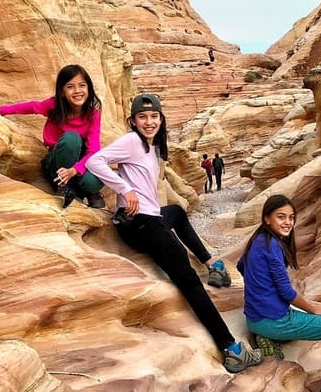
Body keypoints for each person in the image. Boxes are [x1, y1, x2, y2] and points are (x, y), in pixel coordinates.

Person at [87, 93, 262, 373]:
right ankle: (230, 348)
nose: (149, 121)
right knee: (190, 282)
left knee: (177, 213)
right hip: (142, 224)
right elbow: (95, 162)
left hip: (147, 217)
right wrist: (125, 190)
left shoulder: (153, 146)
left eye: (154, 116)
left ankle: (211, 263)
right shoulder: (132, 141)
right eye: (142, 117)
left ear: (161, 118)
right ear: (132, 121)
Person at [237, 194, 321, 392]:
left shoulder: (258, 239)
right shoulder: (272, 246)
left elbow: (241, 266)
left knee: (299, 318)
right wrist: (313, 309)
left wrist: (261, 294)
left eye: (291, 217)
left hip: (255, 319)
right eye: (281, 217)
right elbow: (287, 294)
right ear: (266, 218)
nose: (288, 222)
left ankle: (266, 338)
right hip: (274, 321)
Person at [0, 64, 106, 209]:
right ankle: (64, 186)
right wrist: (3, 110)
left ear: (89, 88)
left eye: (82, 85)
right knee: (71, 139)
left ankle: (86, 190)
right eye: (70, 87)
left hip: (77, 164)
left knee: (96, 180)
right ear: (62, 92)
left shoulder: (93, 114)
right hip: (57, 159)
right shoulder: (55, 106)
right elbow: (32, 107)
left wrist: (75, 169)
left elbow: (93, 150)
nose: (77, 91)